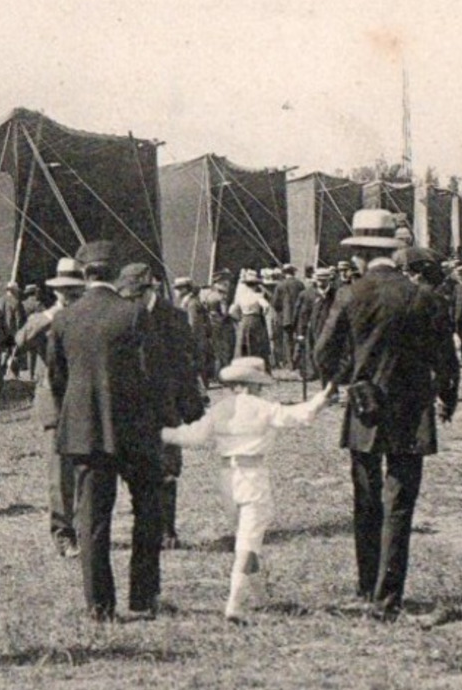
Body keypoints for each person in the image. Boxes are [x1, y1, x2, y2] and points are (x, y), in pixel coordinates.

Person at [314, 210, 458, 621]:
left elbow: (322, 354)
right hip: (412, 412)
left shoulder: (349, 295)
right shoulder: (423, 296)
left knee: (365, 498)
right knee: (399, 504)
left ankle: (365, 586)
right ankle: (387, 597)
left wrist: (346, 380)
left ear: (359, 252)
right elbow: (446, 360)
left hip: (365, 409)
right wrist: (447, 396)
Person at [161, 359, 329, 624]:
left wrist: (161, 433)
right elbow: (300, 415)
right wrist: (322, 397)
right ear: (254, 385)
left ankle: (261, 597)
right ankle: (234, 605)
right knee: (248, 543)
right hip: (252, 475)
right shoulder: (262, 408)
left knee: (246, 536)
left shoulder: (220, 409)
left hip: (226, 478)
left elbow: (192, 436)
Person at [47, 241, 164, 622]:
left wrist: (80, 412)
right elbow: (151, 376)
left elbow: (57, 379)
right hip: (133, 431)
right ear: (116, 274)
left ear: (84, 273)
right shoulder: (133, 314)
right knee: (148, 510)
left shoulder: (64, 319)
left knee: (92, 520)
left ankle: (99, 605)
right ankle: (143, 596)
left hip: (84, 433)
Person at [119, 263, 207, 551]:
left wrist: (190, 407)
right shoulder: (125, 316)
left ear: (150, 288)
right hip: (134, 406)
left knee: (168, 467)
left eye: (135, 295)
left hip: (166, 406)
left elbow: (186, 364)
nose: (131, 301)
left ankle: (168, 529)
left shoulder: (174, 317)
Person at [13, 260, 87, 556]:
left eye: (75, 291)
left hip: (84, 400)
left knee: (86, 469)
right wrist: (52, 314)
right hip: (55, 403)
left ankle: (85, 528)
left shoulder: (86, 317)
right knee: (60, 473)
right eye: (64, 291)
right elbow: (21, 339)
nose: (69, 296)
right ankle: (63, 533)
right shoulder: (44, 319)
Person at [230, 270, 274, 366]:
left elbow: (231, 311)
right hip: (255, 320)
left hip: (244, 319)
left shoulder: (241, 297)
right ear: (255, 285)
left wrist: (239, 318)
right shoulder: (258, 296)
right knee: (256, 344)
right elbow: (266, 306)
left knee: (242, 343)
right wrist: (263, 313)